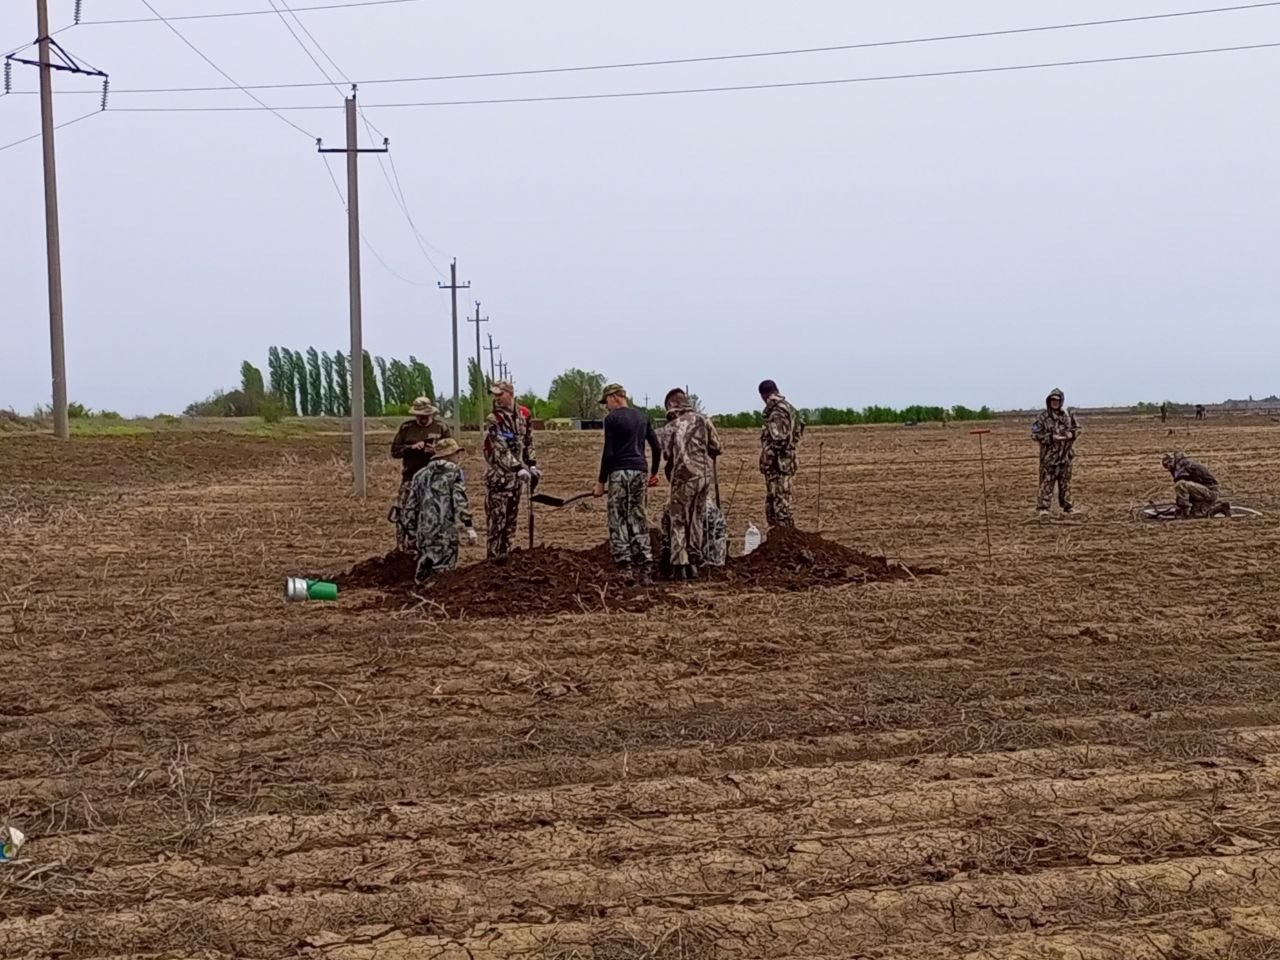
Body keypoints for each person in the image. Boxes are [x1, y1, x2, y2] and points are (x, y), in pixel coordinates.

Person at [592, 384, 661, 581]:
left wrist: (601, 482)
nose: (606, 406)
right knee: (638, 515)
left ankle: (625, 565)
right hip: (640, 471)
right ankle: (645, 564)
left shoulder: (612, 419)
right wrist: (654, 473)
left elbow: (609, 452)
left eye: (606, 401)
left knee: (618, 517)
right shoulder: (642, 417)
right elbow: (656, 447)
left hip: (619, 472)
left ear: (615, 397)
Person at [661, 388, 721, 580]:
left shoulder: (671, 427)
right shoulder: (704, 420)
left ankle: (681, 565)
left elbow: (666, 455)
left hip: (682, 479)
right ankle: (695, 562)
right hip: (703, 478)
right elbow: (717, 447)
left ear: (671, 406)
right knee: (697, 518)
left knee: (678, 520)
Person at [402, 438, 478, 582]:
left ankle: (422, 594)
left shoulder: (419, 475)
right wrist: (468, 527)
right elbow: (459, 501)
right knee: (445, 574)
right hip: (445, 532)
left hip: (424, 531)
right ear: (449, 455)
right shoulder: (454, 472)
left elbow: (410, 506)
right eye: (456, 454)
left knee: (426, 567)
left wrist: (411, 532)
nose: (458, 457)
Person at [483, 380, 538, 560]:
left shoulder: (524, 414)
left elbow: (528, 441)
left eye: (500, 394)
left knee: (510, 521)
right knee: (496, 522)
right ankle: (493, 559)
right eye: (495, 395)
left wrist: (531, 465)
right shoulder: (494, 419)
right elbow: (499, 449)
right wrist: (517, 467)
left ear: (510, 393)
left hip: (518, 478)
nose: (497, 398)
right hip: (500, 477)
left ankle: (505, 556)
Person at [390, 397, 451, 550]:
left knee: (433, 515)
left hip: (435, 479)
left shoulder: (441, 427)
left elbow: (451, 452)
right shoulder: (406, 428)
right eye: (418, 416)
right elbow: (395, 452)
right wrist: (411, 448)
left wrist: (436, 451)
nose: (422, 419)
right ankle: (403, 548)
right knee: (405, 513)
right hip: (410, 477)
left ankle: (430, 547)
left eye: (425, 416)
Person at [757, 379, 804, 527]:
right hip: (786, 462)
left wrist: (767, 460)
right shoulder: (789, 408)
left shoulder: (777, 411)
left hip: (779, 465)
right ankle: (782, 540)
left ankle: (785, 540)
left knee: (780, 505)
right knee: (780, 501)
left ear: (764, 396)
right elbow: (797, 433)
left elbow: (780, 441)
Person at [1031, 387, 1080, 515]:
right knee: (1047, 483)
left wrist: (1071, 435)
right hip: (1049, 458)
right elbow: (1035, 434)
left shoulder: (1066, 417)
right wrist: (1050, 438)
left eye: (1057, 400)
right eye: (1052, 399)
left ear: (1061, 401)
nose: (1054, 402)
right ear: (1049, 401)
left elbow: (1077, 429)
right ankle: (1043, 509)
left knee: (1065, 483)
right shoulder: (1043, 417)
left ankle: (1067, 508)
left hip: (1065, 456)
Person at [1162, 452, 1231, 518]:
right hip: (1203, 491)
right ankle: (1220, 507)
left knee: (1180, 484)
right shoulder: (1182, 463)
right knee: (1196, 515)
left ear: (1171, 461)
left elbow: (1181, 485)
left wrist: (1181, 509)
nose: (1167, 468)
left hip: (1210, 491)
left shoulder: (1182, 466)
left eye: (1166, 465)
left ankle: (1183, 512)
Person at [702, 499, 728, 567]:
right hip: (710, 530)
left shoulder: (706, 505)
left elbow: (708, 527)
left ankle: (713, 562)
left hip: (715, 533)